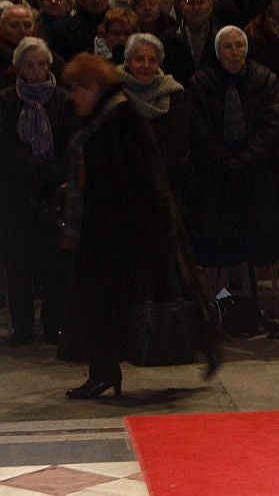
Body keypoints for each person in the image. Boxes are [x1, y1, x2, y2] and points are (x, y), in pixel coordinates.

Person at [57, 53, 216, 399]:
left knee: (134, 300)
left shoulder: (121, 115)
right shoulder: (102, 115)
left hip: (123, 231)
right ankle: (103, 371)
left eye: (77, 90)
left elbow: (145, 176)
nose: (73, 97)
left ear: (93, 87)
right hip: (104, 228)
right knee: (104, 304)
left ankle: (202, 344)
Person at [187, 26, 279, 294]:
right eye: (228, 47)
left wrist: (245, 157)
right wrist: (225, 158)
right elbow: (198, 128)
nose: (235, 52)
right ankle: (222, 307)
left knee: (257, 247)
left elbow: (273, 124)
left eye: (239, 46)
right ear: (217, 51)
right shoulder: (200, 83)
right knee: (220, 251)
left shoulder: (265, 79)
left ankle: (256, 308)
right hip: (216, 178)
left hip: (257, 176)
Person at [0, 38, 74, 345]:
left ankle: (54, 322)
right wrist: (30, 164)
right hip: (17, 190)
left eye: (41, 64)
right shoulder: (5, 100)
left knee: (53, 263)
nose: (36, 70)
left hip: (54, 190)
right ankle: (21, 326)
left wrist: (54, 169)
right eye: (29, 64)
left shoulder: (63, 99)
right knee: (18, 263)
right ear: (19, 67)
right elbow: (3, 144)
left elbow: (71, 140)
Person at [119, 33, 188, 198]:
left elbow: (178, 140)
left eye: (152, 60)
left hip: (164, 181)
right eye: (139, 59)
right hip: (124, 181)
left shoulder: (174, 92)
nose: (146, 65)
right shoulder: (114, 90)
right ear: (128, 61)